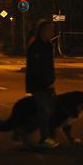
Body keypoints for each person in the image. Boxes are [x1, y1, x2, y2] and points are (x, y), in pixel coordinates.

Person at [25, 20, 58, 148]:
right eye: (50, 29)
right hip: (38, 85)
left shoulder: (48, 45)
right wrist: (43, 82)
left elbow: (49, 66)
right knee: (45, 112)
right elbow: (35, 68)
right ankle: (44, 138)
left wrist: (52, 79)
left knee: (50, 112)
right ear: (42, 31)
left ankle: (43, 136)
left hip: (48, 84)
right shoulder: (35, 47)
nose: (52, 32)